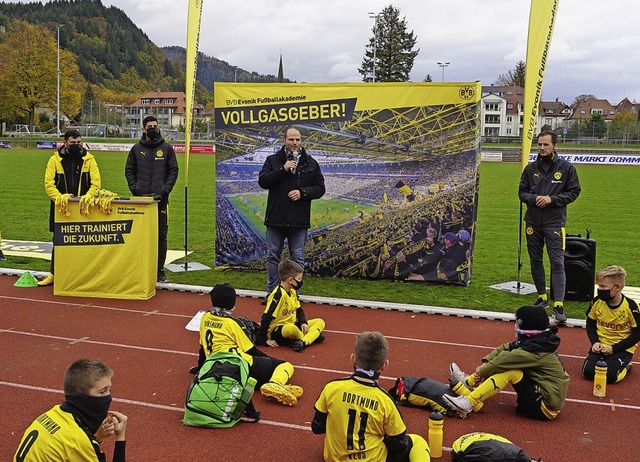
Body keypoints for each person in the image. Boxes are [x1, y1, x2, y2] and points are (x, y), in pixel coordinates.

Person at [312, 331, 430, 461]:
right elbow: (401, 445)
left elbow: (317, 427)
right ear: (385, 365)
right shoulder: (385, 400)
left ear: (353, 359)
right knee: (418, 441)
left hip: (334, 458)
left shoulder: (331, 388)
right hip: (373, 459)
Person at [443, 305, 570, 420]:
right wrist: (486, 362)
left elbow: (502, 361)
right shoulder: (538, 342)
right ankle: (467, 383)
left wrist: (482, 371)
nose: (515, 326)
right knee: (501, 364)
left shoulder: (534, 352)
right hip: (543, 393)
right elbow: (506, 348)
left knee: (511, 371)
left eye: (517, 323)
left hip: (545, 406)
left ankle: (468, 403)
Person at [192, 283, 303, 406]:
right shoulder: (233, 324)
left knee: (262, 371)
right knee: (285, 366)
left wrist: (201, 368)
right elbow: (251, 350)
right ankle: (275, 384)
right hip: (238, 366)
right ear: (232, 303)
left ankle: (271, 384)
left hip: (215, 367)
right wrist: (272, 361)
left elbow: (202, 347)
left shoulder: (205, 318)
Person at [518, 130, 581, 323]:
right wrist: (534, 198)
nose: (542, 148)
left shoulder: (566, 168)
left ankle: (559, 305)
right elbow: (521, 192)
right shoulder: (530, 169)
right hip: (532, 222)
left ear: (555, 145)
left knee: (557, 262)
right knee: (535, 260)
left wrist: (552, 200)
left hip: (555, 222)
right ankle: (542, 297)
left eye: (546, 144)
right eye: (540, 145)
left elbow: (574, 191)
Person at [13, 359, 127, 461]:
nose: (109, 396)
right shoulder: (76, 440)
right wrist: (120, 437)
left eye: (109, 389)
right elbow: (74, 444)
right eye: (103, 391)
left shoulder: (53, 413)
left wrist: (96, 438)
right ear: (82, 396)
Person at [258, 126, 325, 298]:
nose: (295, 143)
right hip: (276, 219)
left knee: (297, 259)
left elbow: (320, 188)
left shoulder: (311, 163)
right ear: (284, 141)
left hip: (298, 220)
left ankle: (293, 296)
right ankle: (272, 294)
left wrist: (302, 193)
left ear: (301, 141)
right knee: (273, 257)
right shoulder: (272, 160)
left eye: (297, 139)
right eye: (291, 139)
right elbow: (263, 181)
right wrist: (282, 169)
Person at [38, 129, 101, 286]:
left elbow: (96, 183)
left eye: (78, 142)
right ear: (65, 142)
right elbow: (49, 184)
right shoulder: (54, 160)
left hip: (83, 207)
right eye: (73, 143)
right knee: (58, 241)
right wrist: (60, 199)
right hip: (61, 208)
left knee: (84, 241)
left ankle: (83, 276)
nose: (76, 145)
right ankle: (54, 273)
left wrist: (88, 197)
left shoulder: (89, 159)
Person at [125, 115, 179, 283]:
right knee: (139, 236)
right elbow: (129, 170)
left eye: (155, 126)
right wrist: (135, 189)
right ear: (143, 129)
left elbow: (173, 171)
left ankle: (159, 270)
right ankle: (140, 268)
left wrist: (164, 190)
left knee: (161, 236)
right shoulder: (135, 149)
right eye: (149, 126)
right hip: (140, 202)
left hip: (160, 201)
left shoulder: (167, 148)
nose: (153, 129)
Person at [583, 265, 640, 383]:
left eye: (603, 286)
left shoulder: (631, 307)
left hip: (622, 349)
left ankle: (627, 365)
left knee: (610, 377)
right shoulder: (596, 302)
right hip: (601, 346)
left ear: (617, 287)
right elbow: (590, 324)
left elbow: (637, 334)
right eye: (599, 286)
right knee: (587, 373)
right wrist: (595, 342)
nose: (599, 290)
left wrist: (614, 348)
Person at [257, 259, 325, 352]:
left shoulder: (292, 291)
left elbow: (299, 309)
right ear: (290, 280)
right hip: (278, 330)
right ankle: (310, 337)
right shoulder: (278, 294)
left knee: (320, 321)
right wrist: (264, 340)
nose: (301, 281)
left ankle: (303, 342)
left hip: (292, 323)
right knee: (291, 329)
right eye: (299, 279)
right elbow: (267, 317)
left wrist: (303, 322)